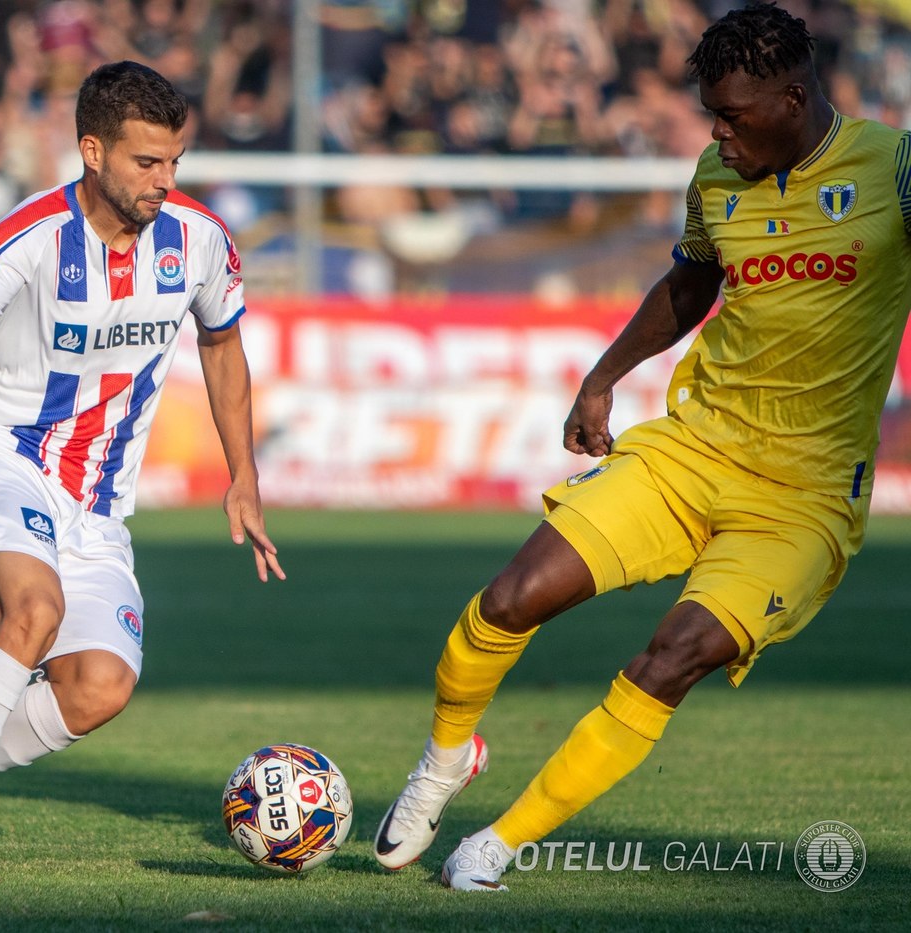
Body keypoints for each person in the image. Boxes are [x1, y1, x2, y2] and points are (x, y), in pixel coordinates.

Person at [373, 2, 911, 891]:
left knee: (671, 657)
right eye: (711, 114)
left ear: (794, 97)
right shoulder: (716, 175)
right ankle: (442, 763)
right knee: (510, 599)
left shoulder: (895, 167)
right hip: (691, 453)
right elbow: (691, 281)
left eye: (733, 116)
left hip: (804, 501)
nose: (717, 132)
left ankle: (497, 844)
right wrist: (603, 375)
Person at [0, 60, 285, 882]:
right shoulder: (30, 236)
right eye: (147, 163)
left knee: (99, 684)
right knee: (33, 608)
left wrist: (242, 474)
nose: (164, 181)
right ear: (93, 150)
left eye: (175, 161)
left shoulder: (199, 240)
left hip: (97, 505)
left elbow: (221, 343)